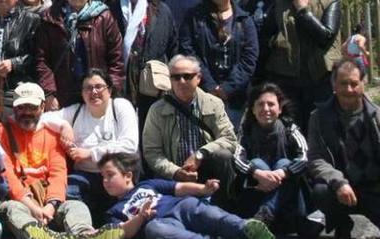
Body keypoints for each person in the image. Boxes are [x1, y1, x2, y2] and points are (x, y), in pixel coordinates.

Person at [0, 83, 113, 238]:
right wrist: (32, 207)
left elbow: (58, 173)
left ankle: (83, 234)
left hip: (47, 200)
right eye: (21, 107)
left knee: (76, 206)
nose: (26, 112)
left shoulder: (51, 134)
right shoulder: (2, 133)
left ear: (42, 107)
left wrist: (50, 206)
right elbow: (9, 177)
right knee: (13, 209)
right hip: (20, 201)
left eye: (32, 107)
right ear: (14, 108)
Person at [40, 70, 139, 223]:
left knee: (117, 220)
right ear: (82, 92)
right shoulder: (76, 111)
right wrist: (63, 125)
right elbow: (43, 119)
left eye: (99, 87)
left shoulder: (120, 106)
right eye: (88, 88)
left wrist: (90, 153)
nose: (93, 92)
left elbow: (129, 146)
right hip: (85, 176)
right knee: (68, 193)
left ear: (110, 90)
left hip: (118, 175)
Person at [98, 152, 273, 239]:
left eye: (110, 175)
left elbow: (179, 187)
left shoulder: (147, 184)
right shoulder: (113, 212)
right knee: (156, 230)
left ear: (127, 176)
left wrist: (203, 189)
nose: (105, 181)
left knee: (209, 214)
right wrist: (142, 216)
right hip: (158, 223)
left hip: (180, 206)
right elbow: (124, 232)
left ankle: (248, 229)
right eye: (102, 177)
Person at [141, 55, 238, 204]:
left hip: (208, 172)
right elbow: (152, 152)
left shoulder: (214, 104)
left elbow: (229, 139)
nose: (181, 82)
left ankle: (224, 205)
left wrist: (200, 154)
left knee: (223, 155)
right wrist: (175, 172)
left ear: (198, 78)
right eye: (176, 77)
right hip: (174, 174)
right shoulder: (157, 110)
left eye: (187, 76)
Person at [264, 0, 341, 130]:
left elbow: (325, 37)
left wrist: (304, 11)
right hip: (288, 79)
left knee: (322, 126)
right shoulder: (282, 1)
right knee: (291, 127)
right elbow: (267, 34)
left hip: (321, 77)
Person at [307, 59, 380, 238]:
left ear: (363, 84)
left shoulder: (377, 116)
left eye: (354, 84)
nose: (348, 89)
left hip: (374, 188)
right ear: (334, 85)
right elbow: (316, 158)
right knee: (320, 191)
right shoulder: (318, 118)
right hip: (340, 190)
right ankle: (341, 223)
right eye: (343, 83)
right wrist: (338, 182)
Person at [232, 83, 317, 236]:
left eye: (271, 104)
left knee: (284, 163)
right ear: (252, 109)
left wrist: (283, 172)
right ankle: (266, 215)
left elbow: (305, 157)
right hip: (257, 191)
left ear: (280, 108)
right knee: (257, 163)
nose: (266, 109)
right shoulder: (246, 131)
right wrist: (257, 173)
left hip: (290, 199)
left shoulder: (290, 128)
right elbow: (237, 158)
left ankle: (266, 213)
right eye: (260, 104)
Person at [179, 0, 258, 127]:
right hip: (201, 92)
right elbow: (188, 51)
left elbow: (249, 58)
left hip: (236, 98)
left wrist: (227, 88)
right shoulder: (195, 18)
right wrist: (209, 86)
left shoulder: (244, 20)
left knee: (231, 143)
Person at [36, 0, 123, 109]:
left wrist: (109, 90)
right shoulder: (49, 19)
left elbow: (116, 59)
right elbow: (42, 60)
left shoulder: (104, 17)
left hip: (96, 94)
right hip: (62, 96)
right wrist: (49, 93)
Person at [106, 0, 177, 131]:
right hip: (120, 81)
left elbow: (172, 45)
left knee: (151, 131)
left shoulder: (160, 10)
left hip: (152, 83)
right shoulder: (109, 10)